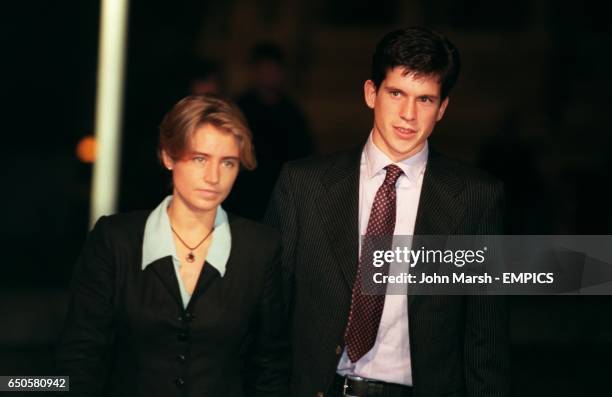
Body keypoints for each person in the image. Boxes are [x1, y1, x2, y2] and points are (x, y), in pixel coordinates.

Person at [265, 27, 509, 397]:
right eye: (396, 93)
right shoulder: (303, 185)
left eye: (425, 100)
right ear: (371, 93)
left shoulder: (477, 198)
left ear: (442, 108)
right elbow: (270, 318)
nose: (408, 114)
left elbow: (486, 341)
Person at [57, 95, 289, 396]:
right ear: (168, 156)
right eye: (199, 158)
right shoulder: (116, 240)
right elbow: (80, 356)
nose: (213, 177)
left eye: (228, 163)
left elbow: (270, 368)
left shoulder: (260, 248)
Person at [225, 42, 313, 220]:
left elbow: (304, 154)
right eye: (264, 70)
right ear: (254, 72)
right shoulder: (240, 110)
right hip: (245, 198)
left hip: (283, 197)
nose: (269, 76)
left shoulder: (291, 112)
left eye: (274, 70)